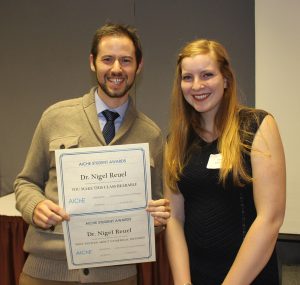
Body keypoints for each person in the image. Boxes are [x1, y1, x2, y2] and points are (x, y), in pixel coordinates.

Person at [14, 23, 170, 285]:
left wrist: (158, 218)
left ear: (138, 66)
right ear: (92, 62)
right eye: (107, 59)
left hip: (117, 276)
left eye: (126, 60)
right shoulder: (56, 117)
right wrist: (35, 206)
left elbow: (157, 208)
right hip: (46, 272)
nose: (116, 69)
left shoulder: (151, 135)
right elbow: (25, 182)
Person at [164, 39, 286, 285]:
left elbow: (270, 218)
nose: (197, 85)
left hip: (250, 276)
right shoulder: (175, 141)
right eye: (187, 78)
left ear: (226, 79)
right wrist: (182, 282)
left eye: (207, 75)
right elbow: (174, 218)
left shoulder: (257, 126)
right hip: (197, 276)